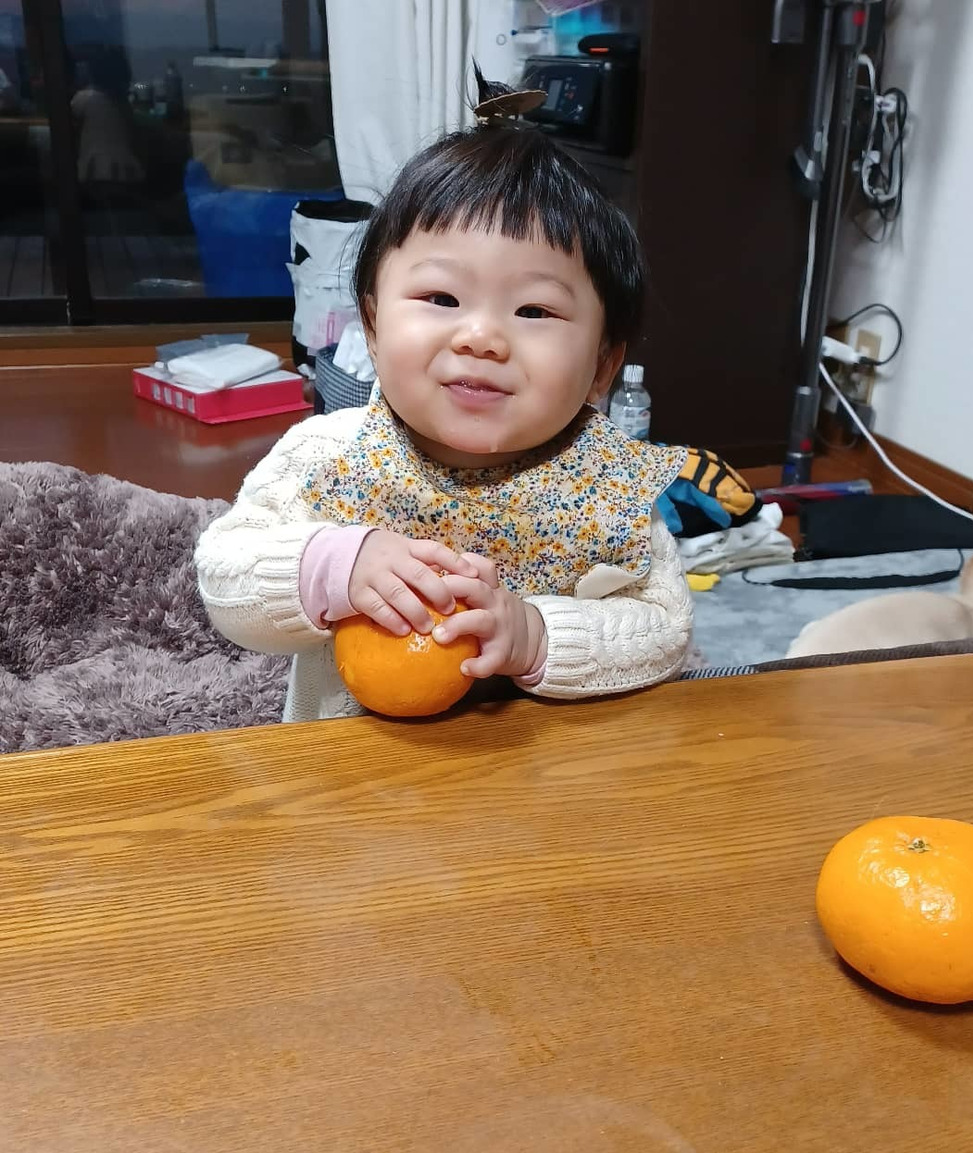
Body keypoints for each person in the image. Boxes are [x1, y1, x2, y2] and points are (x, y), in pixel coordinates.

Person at [195, 73, 694, 722]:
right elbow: (225, 580)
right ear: (373, 326)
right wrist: (333, 565)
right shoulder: (329, 456)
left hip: (538, 773)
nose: (481, 337)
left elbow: (664, 630)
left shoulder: (606, 486)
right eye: (441, 298)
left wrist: (537, 635)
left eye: (534, 310)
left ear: (603, 366)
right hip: (345, 764)